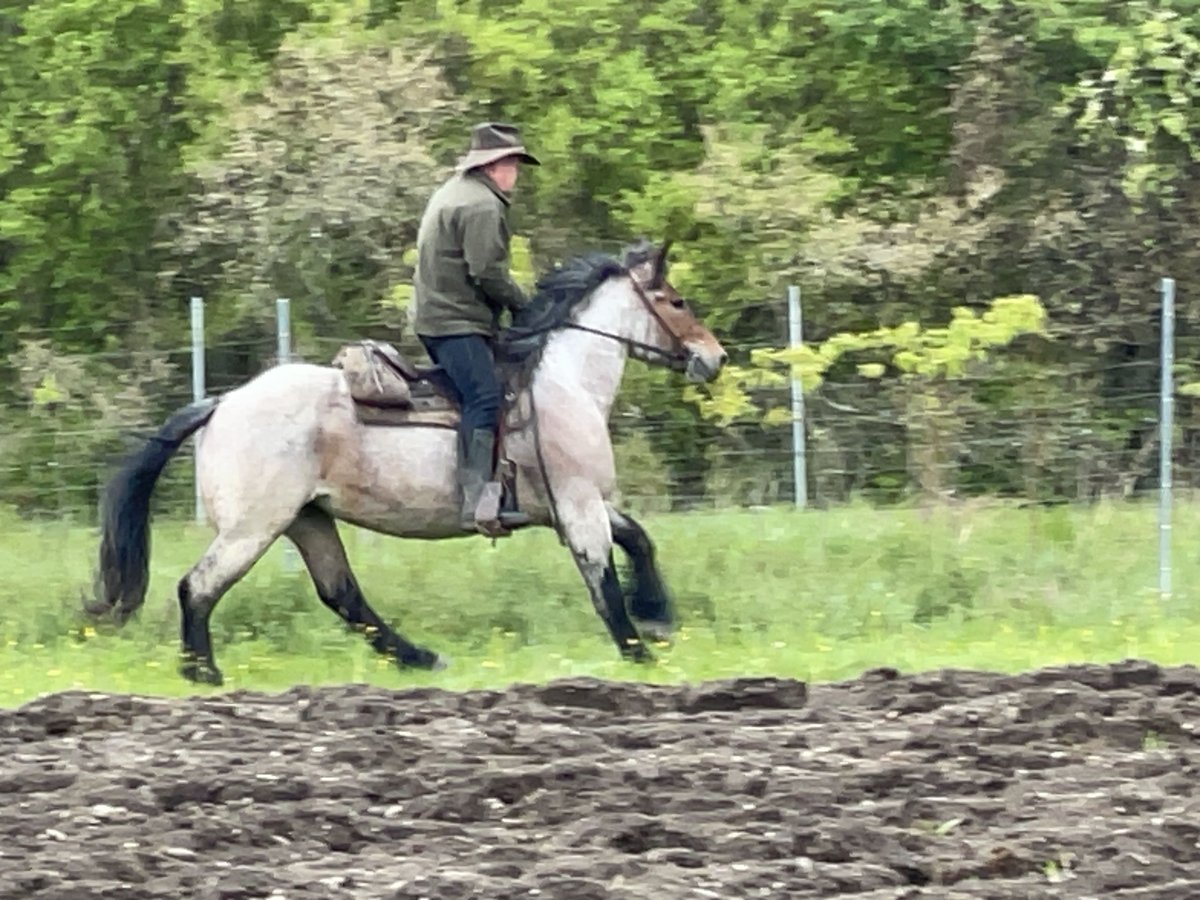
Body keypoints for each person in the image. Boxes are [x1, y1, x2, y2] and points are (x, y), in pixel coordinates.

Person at [411, 122, 540, 534]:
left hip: (439, 315)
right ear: (494, 165)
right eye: (513, 163)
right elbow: (487, 271)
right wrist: (525, 306)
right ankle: (476, 501)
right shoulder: (482, 205)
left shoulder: (455, 191)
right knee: (484, 397)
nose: (516, 173)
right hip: (454, 321)